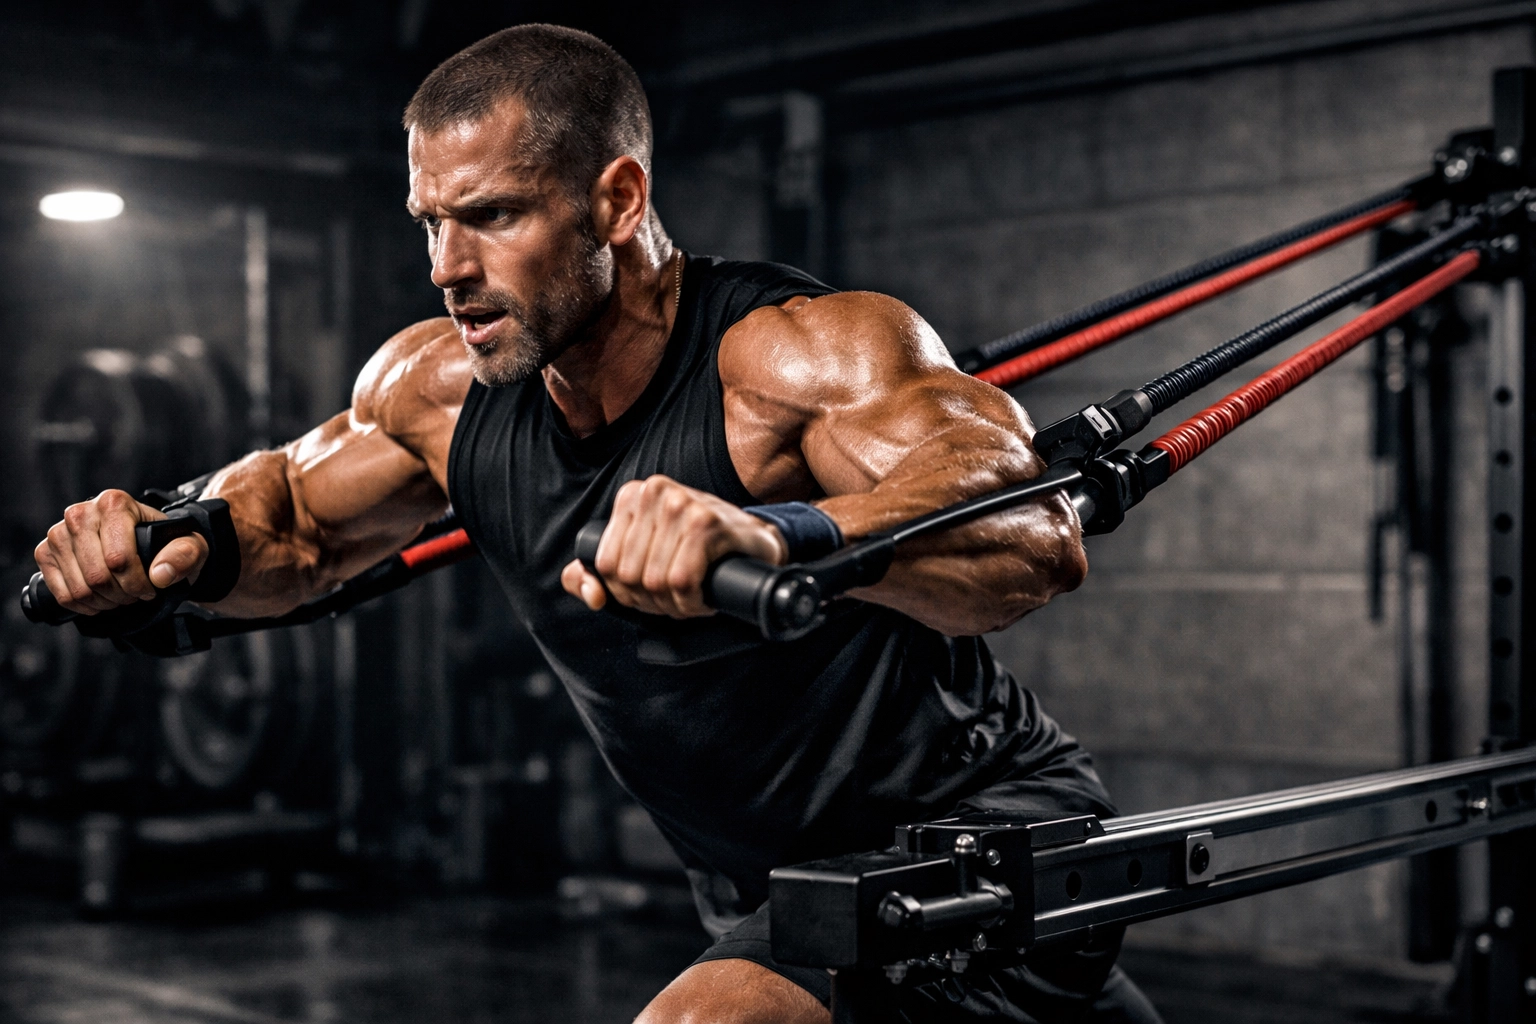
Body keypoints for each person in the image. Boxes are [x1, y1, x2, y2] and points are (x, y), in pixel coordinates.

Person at [34, 23, 1161, 1024]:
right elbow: (294, 526)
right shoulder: (441, 392)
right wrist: (174, 546)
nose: (448, 270)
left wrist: (782, 536)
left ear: (618, 200)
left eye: (493, 217)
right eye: (431, 222)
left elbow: (1031, 530)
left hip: (980, 839)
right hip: (775, 890)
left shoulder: (789, 357)